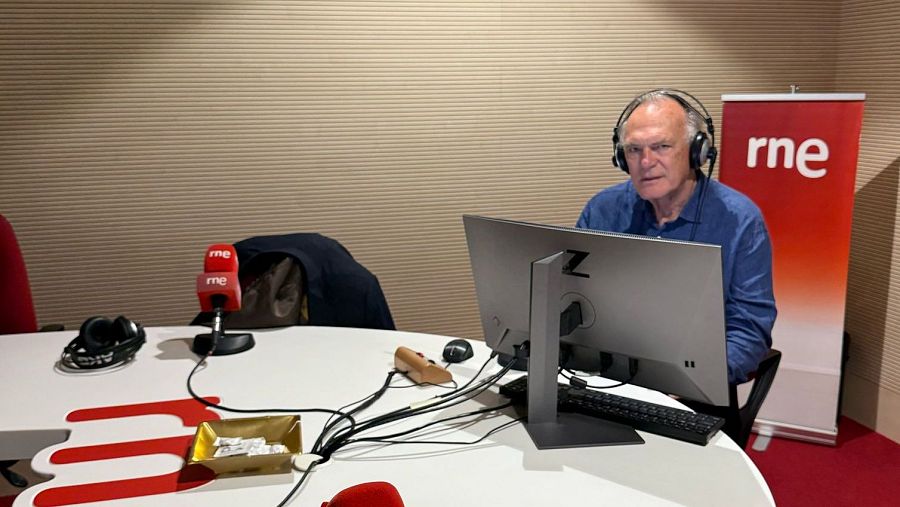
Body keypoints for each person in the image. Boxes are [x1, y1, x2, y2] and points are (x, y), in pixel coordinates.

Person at [576, 90, 776, 385]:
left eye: (661, 146)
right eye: (634, 150)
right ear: (621, 157)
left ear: (697, 152)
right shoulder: (603, 210)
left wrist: (689, 381)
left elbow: (748, 330)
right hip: (606, 377)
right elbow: (573, 297)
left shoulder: (740, 221)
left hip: (693, 386)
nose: (646, 162)